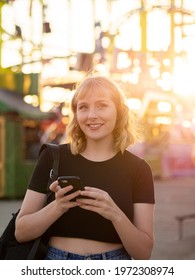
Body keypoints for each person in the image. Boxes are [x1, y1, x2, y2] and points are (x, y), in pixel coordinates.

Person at [15, 74, 155, 260]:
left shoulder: (139, 169)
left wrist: (114, 213)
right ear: (76, 114)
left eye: (102, 105)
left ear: (119, 111)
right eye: (83, 107)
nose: (91, 115)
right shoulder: (51, 157)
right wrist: (58, 206)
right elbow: (21, 232)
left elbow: (144, 253)